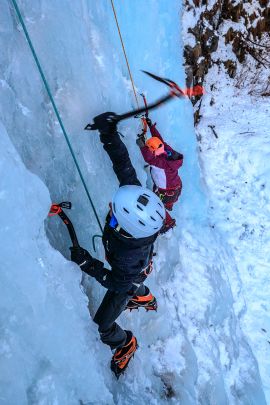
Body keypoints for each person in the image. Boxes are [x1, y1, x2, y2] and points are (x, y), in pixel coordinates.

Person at [69, 112, 166, 377]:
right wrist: (109, 134)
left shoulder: (125, 253)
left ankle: (125, 343)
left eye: (116, 210)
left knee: (103, 323)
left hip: (126, 277)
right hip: (135, 268)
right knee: (133, 278)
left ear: (127, 227)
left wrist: (89, 264)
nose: (112, 205)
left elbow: (117, 282)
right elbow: (123, 166)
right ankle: (143, 295)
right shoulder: (135, 204)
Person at [136, 117, 184, 234]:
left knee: (155, 203)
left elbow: (149, 158)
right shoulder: (167, 150)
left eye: (149, 149)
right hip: (175, 188)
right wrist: (151, 127)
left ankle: (168, 224)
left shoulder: (160, 163)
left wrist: (142, 146)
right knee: (158, 192)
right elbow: (159, 140)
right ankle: (169, 205)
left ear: (152, 151)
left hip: (167, 192)